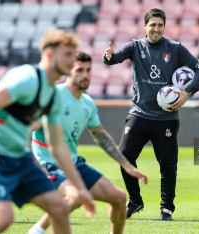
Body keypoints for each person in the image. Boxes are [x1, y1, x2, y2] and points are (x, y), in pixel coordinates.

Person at [0, 30, 95, 234]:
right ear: (50, 55)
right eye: (68, 55)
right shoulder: (27, 78)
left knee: (60, 208)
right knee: (1, 220)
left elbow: (57, 146)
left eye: (74, 54)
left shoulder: (53, 95)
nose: (73, 60)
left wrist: (80, 188)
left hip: (19, 159)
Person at [103, 8, 199, 220]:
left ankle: (166, 209)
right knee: (124, 156)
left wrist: (187, 93)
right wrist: (109, 57)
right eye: (152, 25)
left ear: (164, 27)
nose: (156, 29)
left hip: (165, 118)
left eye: (160, 25)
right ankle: (135, 201)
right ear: (145, 26)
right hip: (139, 114)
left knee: (168, 165)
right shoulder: (135, 46)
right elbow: (116, 58)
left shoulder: (175, 49)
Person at [27, 51, 148, 234]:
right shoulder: (53, 97)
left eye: (88, 70)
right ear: (68, 71)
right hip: (49, 164)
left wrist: (126, 165)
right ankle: (37, 231)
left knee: (119, 197)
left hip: (74, 163)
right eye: (79, 70)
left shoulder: (88, 104)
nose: (85, 75)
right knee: (74, 197)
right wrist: (32, 161)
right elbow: (27, 127)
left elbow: (100, 136)